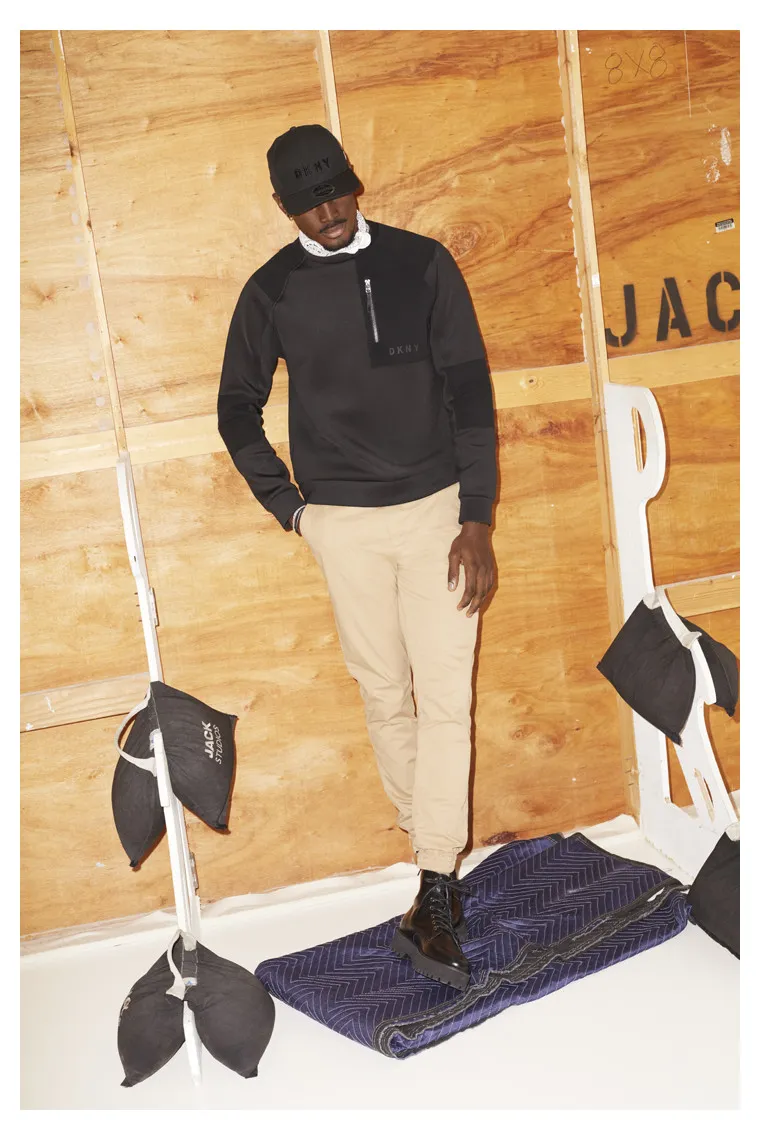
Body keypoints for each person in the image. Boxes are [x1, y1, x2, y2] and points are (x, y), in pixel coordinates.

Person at [218, 124, 496, 991]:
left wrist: (477, 517)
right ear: (283, 207)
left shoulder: (423, 263)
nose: (328, 212)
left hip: (438, 516)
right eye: (308, 203)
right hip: (342, 524)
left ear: (356, 181)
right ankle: (433, 872)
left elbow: (471, 388)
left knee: (445, 697)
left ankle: (436, 881)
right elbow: (235, 407)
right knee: (384, 695)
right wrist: (292, 511)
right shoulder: (272, 290)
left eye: (336, 191)